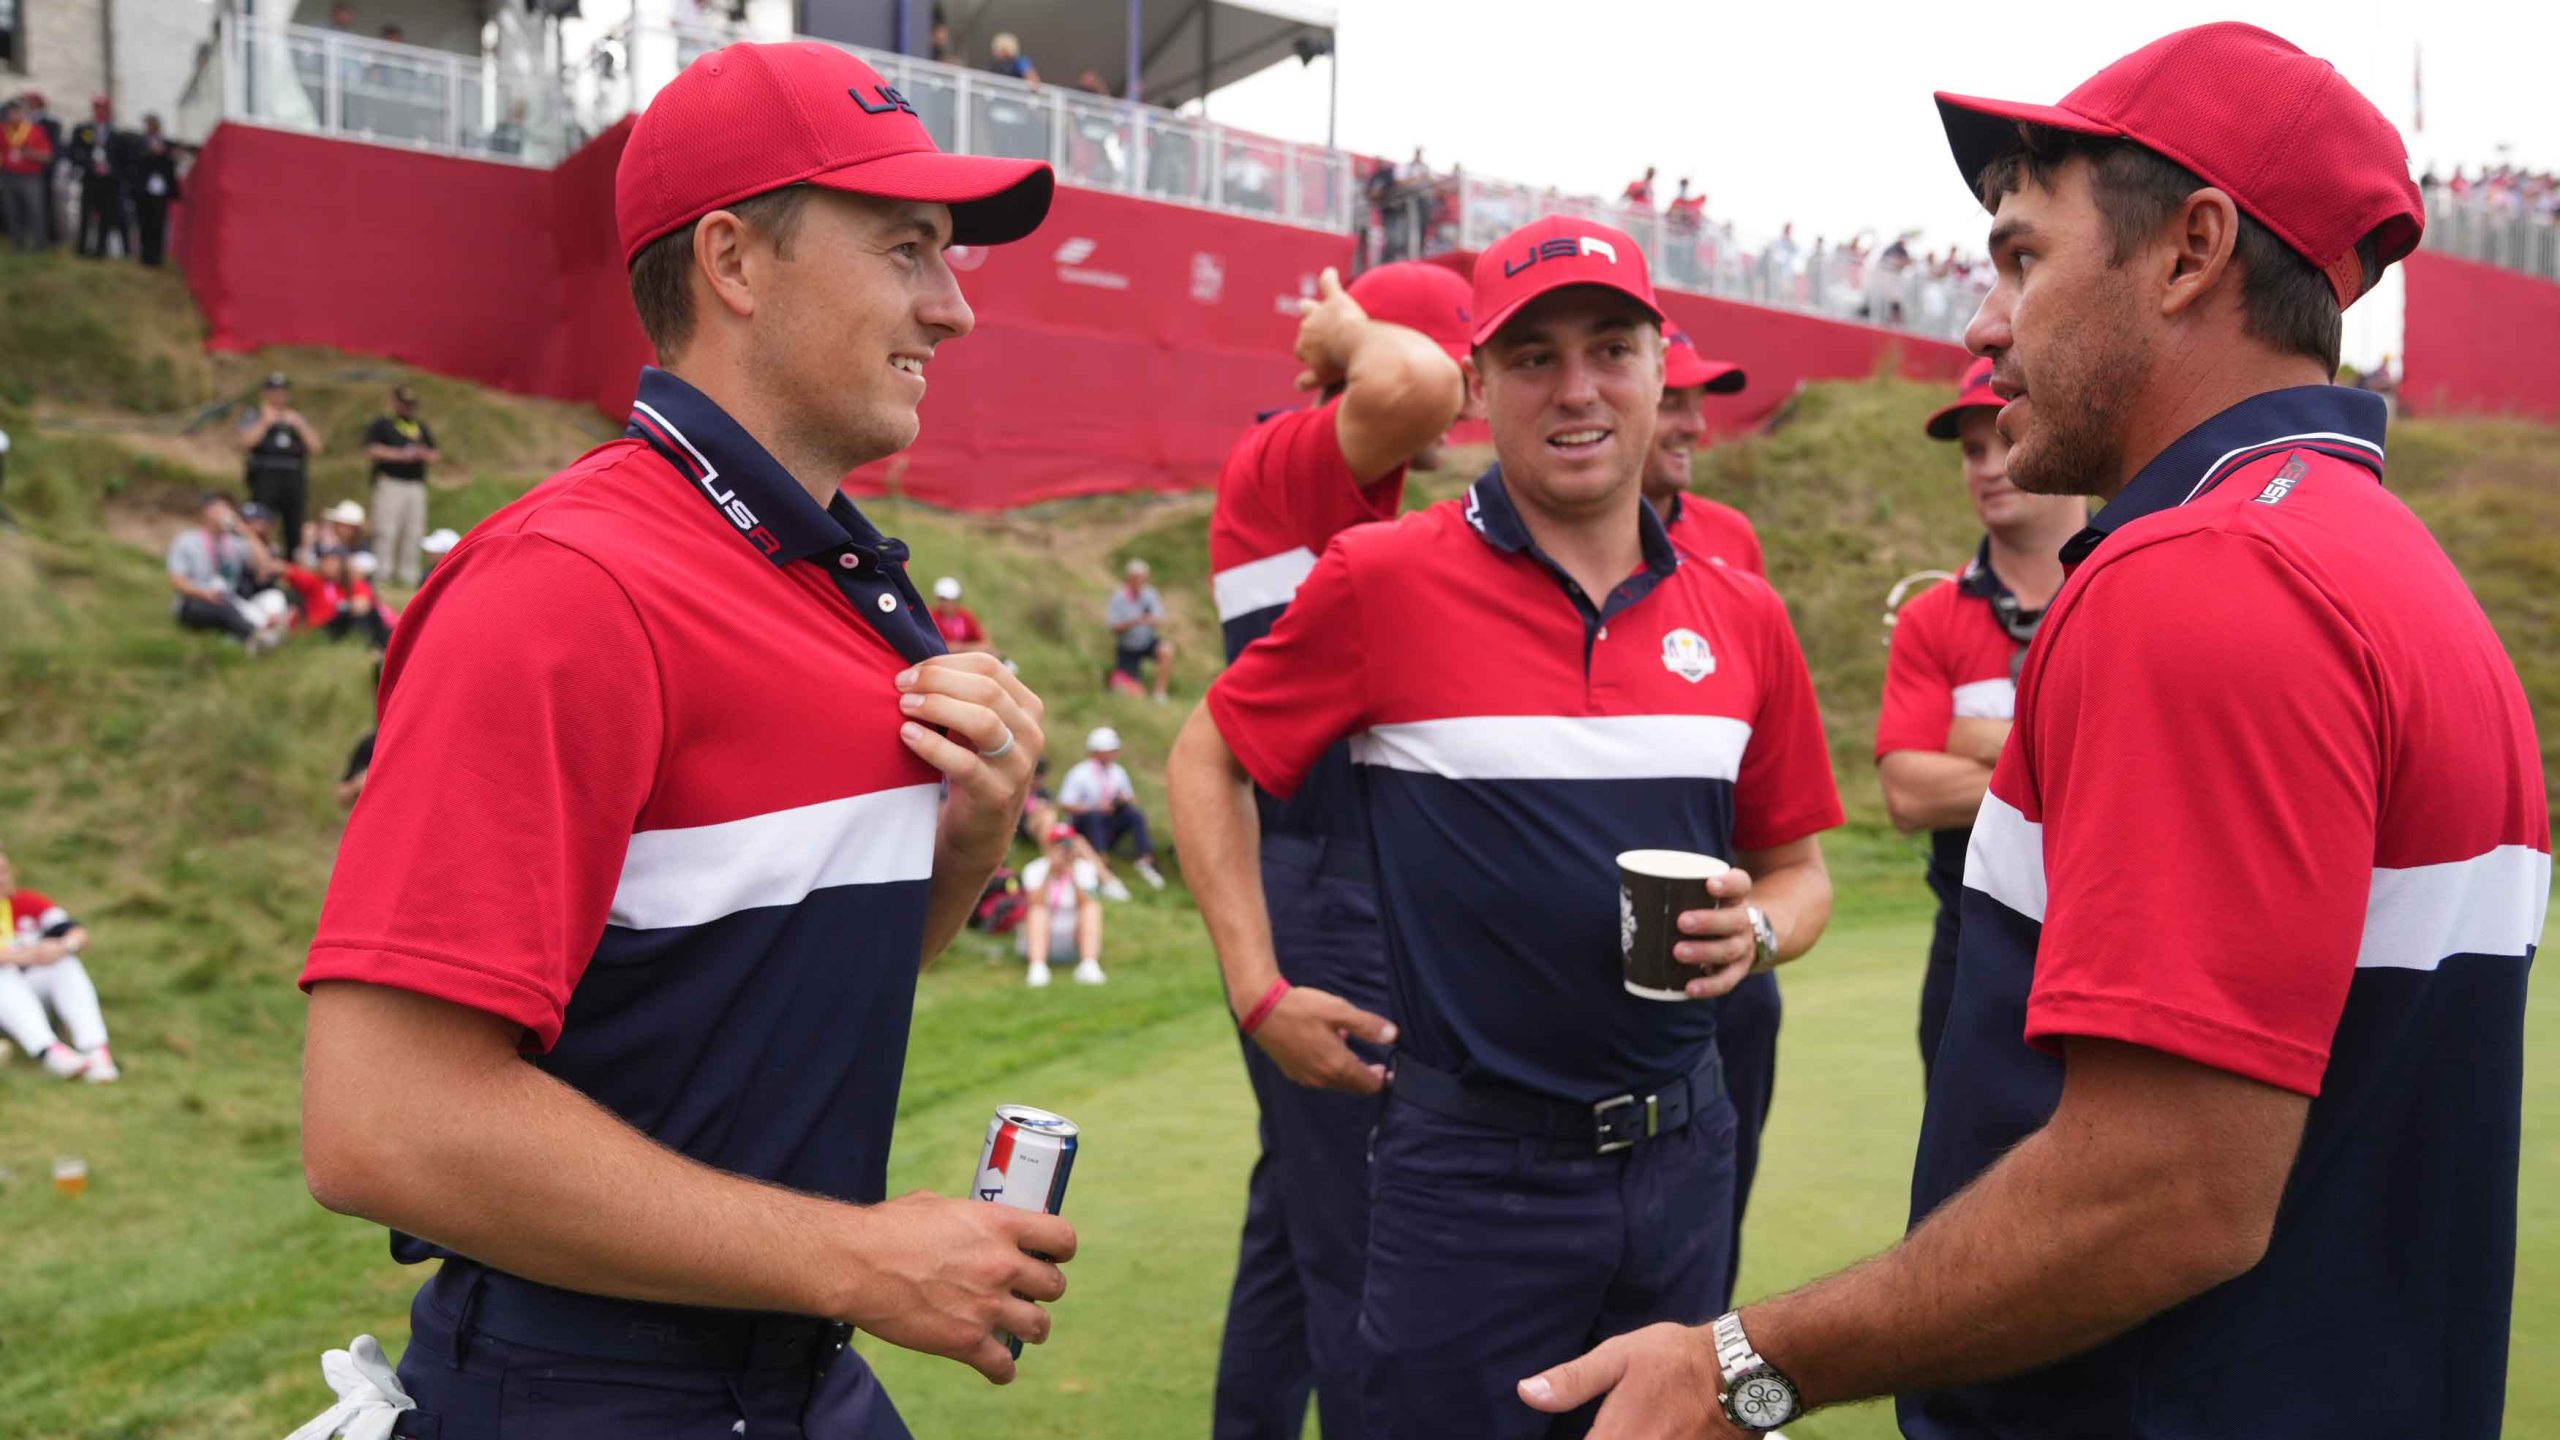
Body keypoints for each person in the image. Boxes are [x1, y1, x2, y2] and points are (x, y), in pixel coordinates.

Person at [1521, 24, 2548, 1440]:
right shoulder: (2392, 567)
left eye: (2020, 256)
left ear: (2192, 251)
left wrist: (1746, 1362)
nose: (1982, 322)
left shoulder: (2200, 574)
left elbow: (2167, 1192)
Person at [292, 40, 1068, 1440]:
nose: (952, 309)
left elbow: (746, 1005)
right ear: (734, 260)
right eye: (907, 249)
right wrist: (858, 1258)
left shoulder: (832, 581)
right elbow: (380, 1123)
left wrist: (967, 845)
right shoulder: (567, 586)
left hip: (793, 1370)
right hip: (589, 1387)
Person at [1170, 215, 1842, 1439]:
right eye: (1532, 357)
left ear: (1655, 366)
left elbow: (1799, 870)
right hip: (1468, 1171)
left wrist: (1764, 930)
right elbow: (1206, 752)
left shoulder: (1743, 612)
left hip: (1686, 1153)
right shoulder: (1382, 577)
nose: (1576, 388)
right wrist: (1257, 988)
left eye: (1610, 349)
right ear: (1476, 387)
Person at [1204, 258, 1473, 1440]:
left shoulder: (1361, 487)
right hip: (1325, 893)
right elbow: (1417, 380)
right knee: (1366, 1247)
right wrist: (1349, 332)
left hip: (1339, 884)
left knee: (1298, 1227)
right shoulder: (1290, 456)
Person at [1874, 358, 2083, 1082]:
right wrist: (2075, 754)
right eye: (1972, 451)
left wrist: (1970, 743)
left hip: (2107, 947)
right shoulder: (1930, 618)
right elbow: (1908, 794)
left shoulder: (2135, 587)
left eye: (2004, 437)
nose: (1989, 467)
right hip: (1970, 954)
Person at [0, 838, 117, 1082]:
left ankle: (95, 1052)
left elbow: (78, 934)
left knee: (65, 963)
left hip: (32, 987)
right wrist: (28, 954)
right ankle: (50, 1053)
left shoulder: (28, 903)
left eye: (3, 870)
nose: (2, 878)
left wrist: (64, 946)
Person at [1645, 325, 1758, 573]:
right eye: (1670, 405)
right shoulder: (1561, 542)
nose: (1695, 427)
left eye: (1698, 405)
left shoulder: (1732, 535)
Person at [167, 492, 287, 650]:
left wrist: (245, 531)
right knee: (221, 607)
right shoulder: (186, 541)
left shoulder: (234, 543)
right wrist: (203, 594)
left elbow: (264, 563)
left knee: (274, 597)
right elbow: (177, 582)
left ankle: (257, 635)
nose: (224, 513)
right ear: (206, 511)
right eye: (219, 508)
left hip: (228, 599)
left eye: (228, 509)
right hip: (195, 600)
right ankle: (255, 637)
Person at [1059, 727, 1166, 890]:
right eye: (1110, 750)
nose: (1114, 753)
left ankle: (1146, 859)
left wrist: (1122, 799)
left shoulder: (1118, 772)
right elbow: (1065, 804)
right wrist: (1093, 807)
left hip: (1109, 822)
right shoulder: (1080, 773)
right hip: (1086, 824)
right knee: (1095, 815)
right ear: (1097, 751)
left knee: (1134, 815)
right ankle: (1102, 860)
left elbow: (1131, 797)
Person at [239, 373, 321, 566]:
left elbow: (316, 447)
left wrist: (300, 424)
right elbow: (245, 443)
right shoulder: (255, 416)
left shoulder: (294, 419)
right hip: (265, 477)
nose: (278, 396)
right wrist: (265, 422)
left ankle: (292, 566)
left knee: (294, 526)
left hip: (293, 479)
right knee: (260, 522)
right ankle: (259, 562)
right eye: (273, 392)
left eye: (282, 392)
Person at [364, 385, 440, 587]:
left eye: (410, 405)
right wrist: (401, 455)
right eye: (403, 403)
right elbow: (372, 450)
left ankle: (409, 576)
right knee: (386, 530)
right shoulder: (383, 424)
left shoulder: (419, 426)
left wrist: (421, 454)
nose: (407, 408)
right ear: (394, 403)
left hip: (415, 485)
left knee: (413, 531)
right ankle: (382, 574)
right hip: (390, 482)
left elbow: (435, 454)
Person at [1018, 822, 1106, 988]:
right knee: (1038, 910)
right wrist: (1051, 871)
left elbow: (1086, 901)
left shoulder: (1084, 869)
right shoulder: (1035, 869)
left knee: (1092, 908)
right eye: (1058, 844)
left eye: (1066, 843)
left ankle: (1089, 964)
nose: (1063, 849)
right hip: (1041, 937)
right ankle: (1037, 967)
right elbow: (1034, 902)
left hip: (1073, 938)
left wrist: (1071, 873)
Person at [68, 96, 131, 259]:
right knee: (86, 212)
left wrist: (110, 169)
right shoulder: (83, 130)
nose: (101, 111)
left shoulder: (116, 134)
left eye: (104, 108)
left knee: (106, 214)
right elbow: (75, 152)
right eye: (98, 108)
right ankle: (82, 248)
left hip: (109, 181)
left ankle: (100, 249)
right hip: (90, 177)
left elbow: (123, 159)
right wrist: (90, 165)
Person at [1106, 557, 1175, 699]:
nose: (1139, 581)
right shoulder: (1118, 598)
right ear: (1129, 578)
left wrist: (1149, 620)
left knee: (1167, 650)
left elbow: (1160, 618)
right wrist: (1133, 622)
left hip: (1147, 642)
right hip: (1127, 647)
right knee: (1136, 693)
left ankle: (1160, 693)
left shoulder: (1151, 594)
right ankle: (1134, 686)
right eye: (1136, 578)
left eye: (1142, 578)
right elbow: (1113, 628)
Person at [1, 98, 53, 253]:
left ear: (22, 113)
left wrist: (31, 154)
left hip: (30, 177)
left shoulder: (35, 130)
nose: (13, 116)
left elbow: (48, 156)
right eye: (11, 113)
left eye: (17, 112)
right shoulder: (3, 130)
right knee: (12, 211)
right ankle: (17, 245)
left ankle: (40, 244)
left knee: (35, 210)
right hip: (9, 176)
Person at [127, 116, 179, 267]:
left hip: (160, 191)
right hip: (144, 190)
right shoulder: (139, 143)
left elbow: (170, 165)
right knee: (144, 223)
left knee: (158, 224)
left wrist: (165, 154)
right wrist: (150, 153)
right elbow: (135, 161)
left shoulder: (166, 144)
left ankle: (156, 257)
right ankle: (145, 256)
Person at [929, 575, 991, 652]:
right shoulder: (931, 617)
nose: (947, 604)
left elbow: (985, 644)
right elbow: (934, 646)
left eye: (951, 600)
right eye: (943, 599)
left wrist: (960, 648)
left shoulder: (966, 616)